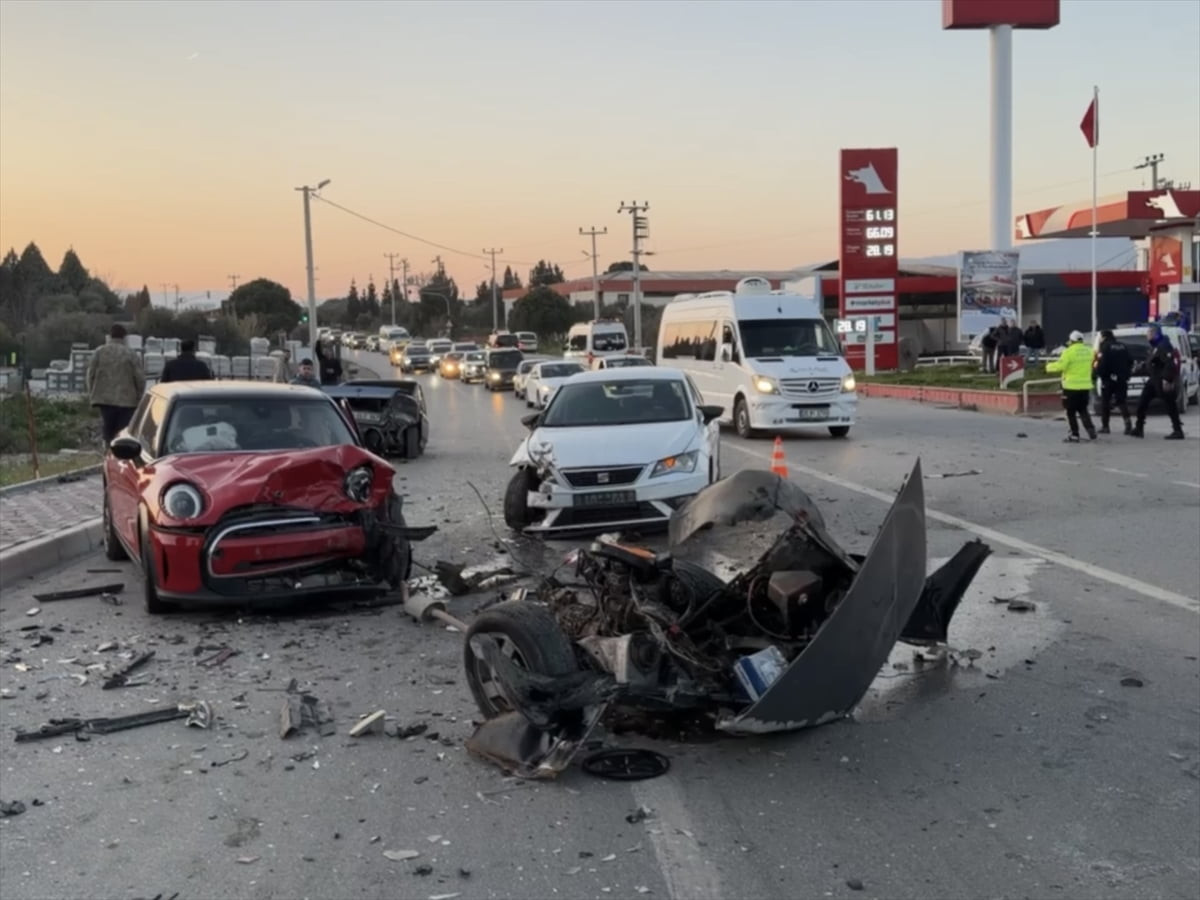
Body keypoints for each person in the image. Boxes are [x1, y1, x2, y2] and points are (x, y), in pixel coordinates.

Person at [86, 323, 146, 443]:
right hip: (127, 400)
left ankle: (108, 449)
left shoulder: (99, 352)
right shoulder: (131, 354)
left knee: (108, 427)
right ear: (124, 337)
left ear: (110, 336)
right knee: (123, 430)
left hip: (105, 399)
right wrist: (139, 396)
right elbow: (140, 378)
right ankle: (121, 451)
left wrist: (92, 393)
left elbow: (90, 374)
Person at [1130, 325, 1185, 440]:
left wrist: (1167, 379)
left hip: (1162, 380)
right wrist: (1140, 368)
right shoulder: (1155, 346)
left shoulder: (1164, 345)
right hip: (1154, 380)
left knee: (1170, 405)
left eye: (1148, 333)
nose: (1147, 336)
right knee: (1142, 403)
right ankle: (1139, 428)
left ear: (1155, 334)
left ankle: (1178, 431)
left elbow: (1169, 363)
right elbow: (1151, 362)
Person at [1046, 329, 1097, 443]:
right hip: (1085, 386)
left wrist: (1048, 367)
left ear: (1071, 341)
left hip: (1070, 387)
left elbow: (1061, 366)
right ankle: (1090, 429)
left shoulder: (1068, 352)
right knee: (1083, 410)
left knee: (1070, 412)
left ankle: (1074, 434)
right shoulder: (1089, 351)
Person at [1094, 330, 1133, 435]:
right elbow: (1130, 361)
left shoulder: (1105, 347)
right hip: (1121, 379)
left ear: (1104, 337)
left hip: (1108, 379)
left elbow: (1102, 364)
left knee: (1105, 403)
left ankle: (1105, 426)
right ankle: (1128, 424)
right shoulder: (1122, 346)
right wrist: (1126, 374)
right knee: (1121, 401)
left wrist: (1099, 373)